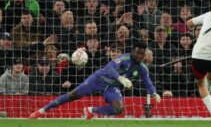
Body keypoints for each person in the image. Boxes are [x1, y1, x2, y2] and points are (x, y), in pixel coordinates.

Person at [29, 42, 161, 119]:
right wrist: (120, 78)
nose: (139, 56)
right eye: (137, 53)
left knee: (119, 108)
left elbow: (147, 81)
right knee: (72, 95)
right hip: (98, 79)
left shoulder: (142, 68)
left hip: (111, 88)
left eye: (142, 54)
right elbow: (109, 67)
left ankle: (91, 110)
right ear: (133, 52)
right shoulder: (124, 58)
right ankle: (42, 111)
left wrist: (154, 93)